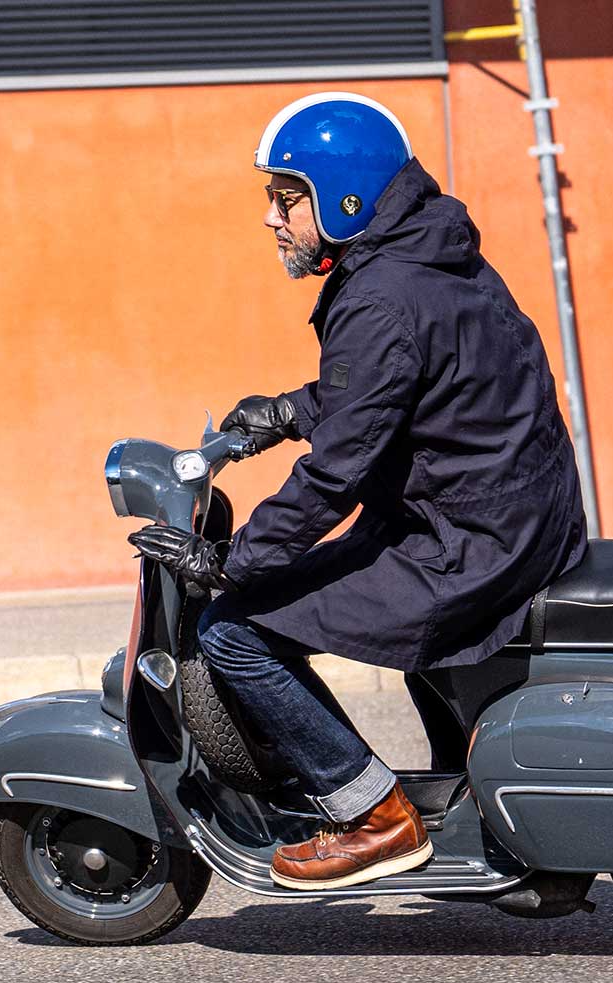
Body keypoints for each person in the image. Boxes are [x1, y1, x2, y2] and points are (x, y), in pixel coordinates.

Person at [128, 92, 587, 890]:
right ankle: (471, 803)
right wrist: (288, 410)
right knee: (378, 634)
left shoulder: (380, 295)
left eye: (288, 196)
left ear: (347, 197)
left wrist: (232, 565)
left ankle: (374, 816)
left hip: (463, 545)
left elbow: (335, 473)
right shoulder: (432, 255)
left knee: (235, 630)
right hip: (508, 518)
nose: (273, 218)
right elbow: (407, 386)